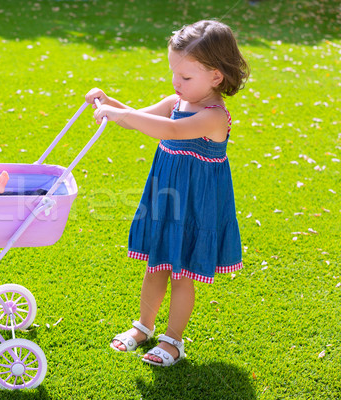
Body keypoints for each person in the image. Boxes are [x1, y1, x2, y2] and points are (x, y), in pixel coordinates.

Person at [85, 20, 249, 367]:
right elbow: (136, 118)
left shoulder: (213, 116)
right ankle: (143, 327)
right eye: (174, 73)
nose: (176, 82)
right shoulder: (177, 100)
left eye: (186, 77)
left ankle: (173, 340)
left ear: (216, 77)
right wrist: (109, 104)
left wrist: (117, 113)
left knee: (182, 274)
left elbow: (170, 129)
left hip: (195, 206)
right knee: (155, 264)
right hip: (166, 197)